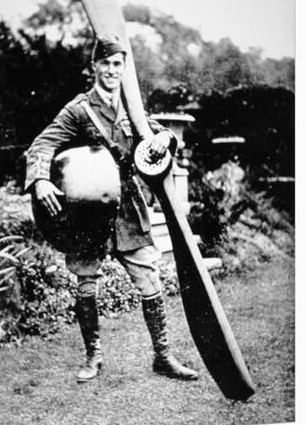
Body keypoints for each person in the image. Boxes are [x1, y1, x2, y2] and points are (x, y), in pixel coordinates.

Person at [25, 35, 198, 383]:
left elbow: (156, 132)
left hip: (128, 210)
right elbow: (42, 145)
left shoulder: (131, 108)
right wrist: (40, 181)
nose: (111, 70)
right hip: (87, 210)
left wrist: (165, 138)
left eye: (118, 64)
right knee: (86, 283)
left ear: (124, 68)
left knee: (149, 280)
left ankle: (163, 357)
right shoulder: (78, 110)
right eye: (105, 63)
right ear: (94, 67)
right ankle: (93, 357)